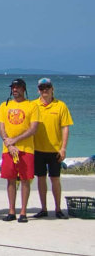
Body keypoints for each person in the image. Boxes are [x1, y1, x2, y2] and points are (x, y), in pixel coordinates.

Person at [0, 78, 38, 222]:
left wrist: (15, 140)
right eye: (13, 87)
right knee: (10, 180)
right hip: (8, 149)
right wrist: (9, 144)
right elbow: (1, 127)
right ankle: (11, 211)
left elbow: (33, 129)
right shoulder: (4, 105)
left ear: (24, 89)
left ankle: (23, 212)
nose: (15, 90)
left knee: (26, 180)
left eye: (18, 87)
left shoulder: (32, 105)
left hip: (26, 149)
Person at [31, 78, 72, 219]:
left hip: (55, 150)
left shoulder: (61, 106)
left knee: (55, 179)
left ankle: (58, 209)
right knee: (40, 179)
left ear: (52, 88)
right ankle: (43, 209)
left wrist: (63, 148)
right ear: (38, 90)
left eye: (47, 87)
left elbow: (65, 127)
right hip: (37, 149)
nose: (45, 90)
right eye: (42, 88)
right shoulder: (33, 105)